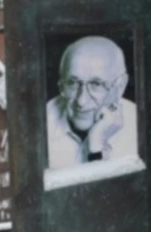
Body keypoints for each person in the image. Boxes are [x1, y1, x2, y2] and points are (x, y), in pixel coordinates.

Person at [46, 36, 139, 169]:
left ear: (120, 87)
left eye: (96, 84)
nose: (81, 101)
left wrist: (96, 144)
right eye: (72, 83)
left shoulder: (141, 128)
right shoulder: (40, 124)